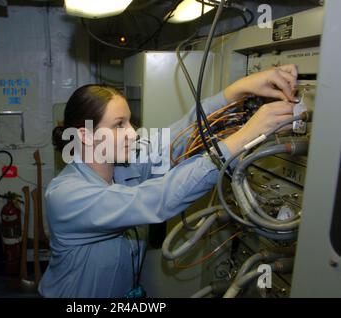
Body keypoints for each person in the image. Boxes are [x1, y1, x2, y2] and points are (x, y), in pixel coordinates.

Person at [39, 65, 299, 298]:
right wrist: (241, 139)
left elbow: (177, 139)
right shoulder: (66, 196)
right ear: (85, 136)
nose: (132, 133)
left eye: (130, 122)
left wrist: (236, 90)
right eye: (119, 125)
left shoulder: (125, 168)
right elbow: (155, 200)